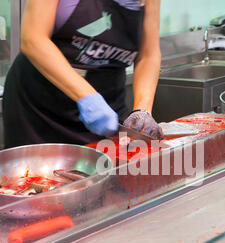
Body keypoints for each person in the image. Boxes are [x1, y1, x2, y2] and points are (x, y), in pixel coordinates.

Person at [3, 0, 164, 149]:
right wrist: (88, 97)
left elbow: (148, 54)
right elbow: (32, 39)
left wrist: (142, 111)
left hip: (108, 107)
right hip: (40, 109)